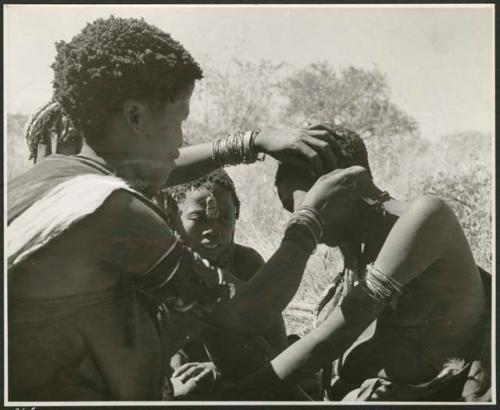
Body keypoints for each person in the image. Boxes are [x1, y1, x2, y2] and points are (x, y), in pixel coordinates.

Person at [7, 16, 347, 401]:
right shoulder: (113, 212)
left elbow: (159, 167)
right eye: (178, 121)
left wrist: (254, 142)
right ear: (135, 117)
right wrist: (309, 219)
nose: (180, 140)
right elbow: (246, 314)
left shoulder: (45, 179)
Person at [218, 124, 490, 402]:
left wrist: (233, 399)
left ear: (345, 186)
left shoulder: (427, 216)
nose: (309, 226)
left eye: (313, 208)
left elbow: (333, 337)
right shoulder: (355, 247)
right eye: (295, 213)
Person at [155, 169, 294, 398]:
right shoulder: (157, 268)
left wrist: (218, 369)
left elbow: (276, 347)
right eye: (199, 219)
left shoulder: (246, 263)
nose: (214, 231)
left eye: (224, 218)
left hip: (244, 380)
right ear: (172, 219)